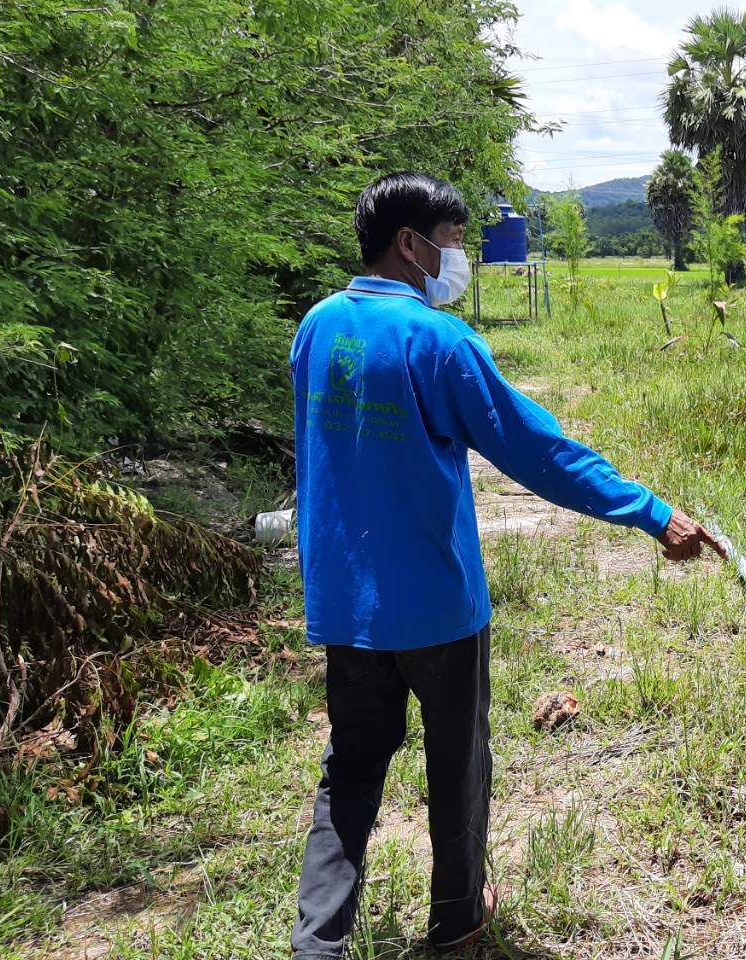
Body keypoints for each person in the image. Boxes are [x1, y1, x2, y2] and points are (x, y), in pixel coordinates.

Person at [288, 172, 722, 958]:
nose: (459, 258)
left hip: (345, 605)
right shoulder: (439, 342)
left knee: (349, 772)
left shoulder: (317, 328)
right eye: (452, 242)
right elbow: (536, 450)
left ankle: (316, 944)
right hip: (438, 608)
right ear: (410, 245)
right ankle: (457, 918)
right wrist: (651, 512)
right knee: (457, 765)